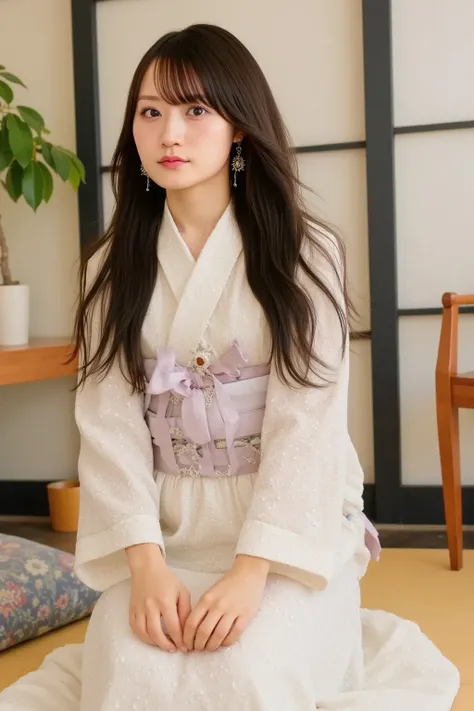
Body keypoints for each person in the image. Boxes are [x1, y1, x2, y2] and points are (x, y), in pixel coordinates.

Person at [0, 24, 459, 711]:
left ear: (239, 127)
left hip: (280, 535)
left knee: (247, 671)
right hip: (165, 525)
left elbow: (309, 426)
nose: (169, 134)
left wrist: (251, 572)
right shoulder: (111, 266)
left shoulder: (305, 255)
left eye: (195, 111)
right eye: (150, 112)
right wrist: (145, 564)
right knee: (132, 673)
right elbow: (109, 422)